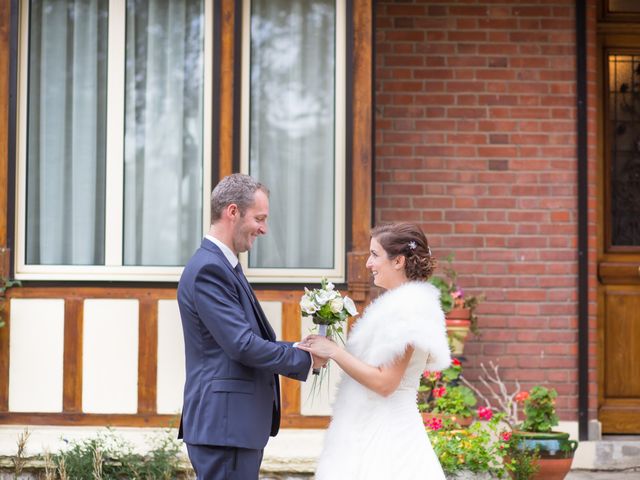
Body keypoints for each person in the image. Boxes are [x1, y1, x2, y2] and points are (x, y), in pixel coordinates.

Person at [178, 173, 325, 480]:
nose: (264, 229)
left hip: (231, 428)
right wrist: (304, 358)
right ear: (233, 211)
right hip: (224, 427)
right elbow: (241, 345)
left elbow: (246, 340)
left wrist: (297, 347)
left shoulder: (223, 265)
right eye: (259, 218)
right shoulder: (209, 269)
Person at [297, 222, 451, 480]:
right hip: (369, 424)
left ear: (399, 261)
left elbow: (385, 383)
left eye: (375, 255)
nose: (368, 263)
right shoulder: (396, 306)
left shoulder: (408, 310)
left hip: (387, 434)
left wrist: (335, 351)